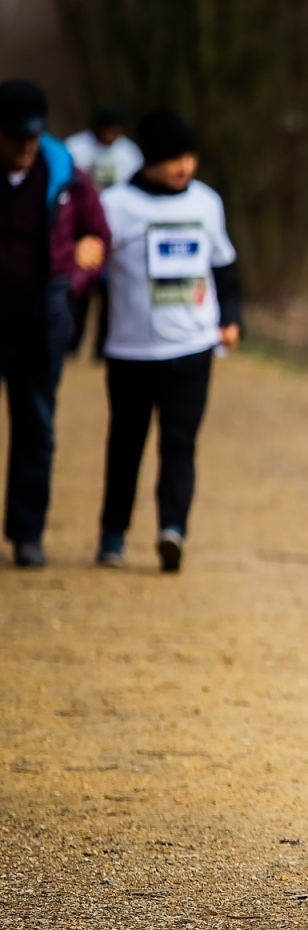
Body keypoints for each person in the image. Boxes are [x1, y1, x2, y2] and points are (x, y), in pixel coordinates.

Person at [96, 108, 241, 573]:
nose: (185, 168)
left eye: (190, 157)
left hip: (192, 347)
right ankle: (112, 535)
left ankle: (172, 530)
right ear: (150, 161)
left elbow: (224, 265)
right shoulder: (116, 206)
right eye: (174, 159)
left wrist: (231, 318)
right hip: (132, 349)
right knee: (126, 442)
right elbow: (91, 267)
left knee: (179, 442)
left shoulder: (206, 203)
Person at [0, 78, 109, 568]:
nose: (25, 146)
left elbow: (97, 235)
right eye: (14, 136)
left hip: (41, 322)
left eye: (32, 135)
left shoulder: (66, 175)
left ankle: (28, 534)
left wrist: (75, 281)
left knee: (36, 429)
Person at [65, 104, 142, 360]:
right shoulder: (76, 148)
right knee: (82, 283)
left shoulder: (130, 154)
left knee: (110, 291)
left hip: (116, 228)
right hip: (83, 227)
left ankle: (102, 347)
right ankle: (72, 343)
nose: (110, 135)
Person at [65, 104, 143, 191]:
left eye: (114, 131)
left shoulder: (129, 151)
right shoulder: (75, 146)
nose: (109, 136)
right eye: (106, 131)